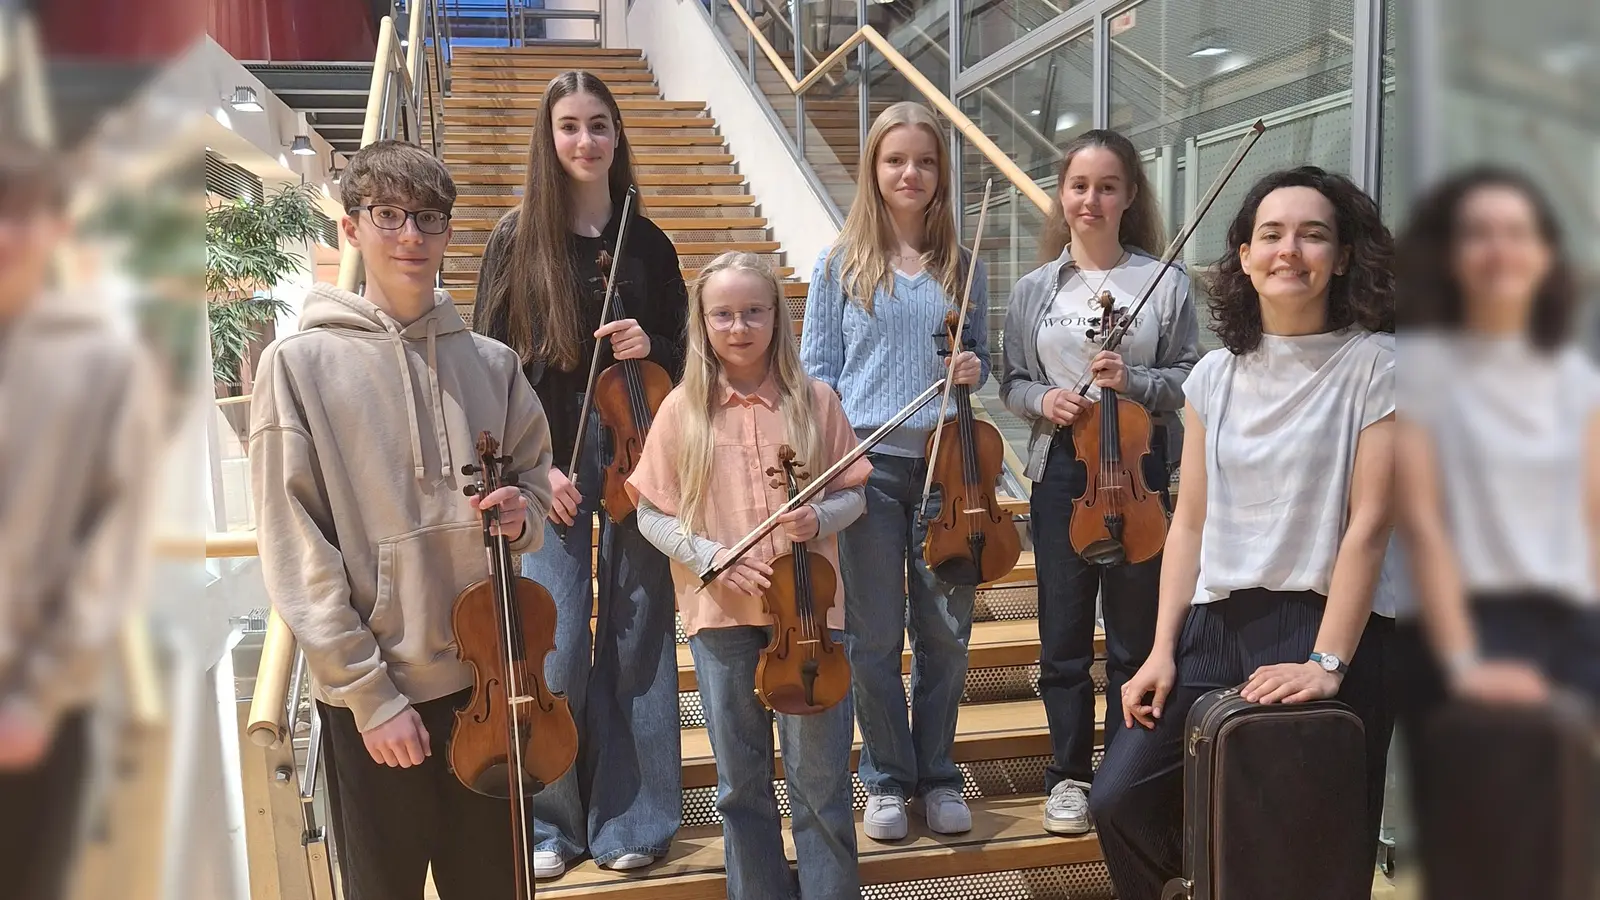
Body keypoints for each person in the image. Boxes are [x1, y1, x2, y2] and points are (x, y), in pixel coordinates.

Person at [251, 139, 554, 900]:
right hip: (376, 699)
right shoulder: (298, 367)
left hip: (491, 685)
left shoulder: (491, 363)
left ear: (450, 231)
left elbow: (539, 489)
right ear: (352, 228)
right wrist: (370, 696)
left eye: (429, 219)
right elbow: (296, 546)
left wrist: (524, 515)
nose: (411, 236)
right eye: (389, 216)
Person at [1087, 166, 1397, 900]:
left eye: (1314, 234)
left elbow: (1371, 524)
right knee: (1120, 800)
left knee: (1309, 851)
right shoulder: (1214, 377)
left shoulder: (1378, 365)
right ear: (1246, 257)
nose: (1291, 250)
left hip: (1332, 628)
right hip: (1214, 625)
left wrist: (1326, 662)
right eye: (1272, 234)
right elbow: (1188, 519)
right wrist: (1162, 648)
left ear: (1343, 256)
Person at [472, 70, 686, 878]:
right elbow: (487, 366)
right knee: (552, 644)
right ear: (549, 137)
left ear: (617, 136)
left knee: (638, 638)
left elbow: (685, 360)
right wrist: (531, 471)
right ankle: (553, 819)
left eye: (600, 124)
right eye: (569, 126)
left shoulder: (649, 243)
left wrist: (653, 349)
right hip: (547, 466)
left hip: (636, 453)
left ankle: (635, 816)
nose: (586, 140)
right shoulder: (513, 239)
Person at [628, 252, 869, 899]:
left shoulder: (814, 400)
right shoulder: (683, 410)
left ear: (777, 318)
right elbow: (652, 515)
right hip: (723, 619)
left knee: (819, 781)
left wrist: (818, 517)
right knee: (741, 784)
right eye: (723, 314)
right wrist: (712, 557)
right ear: (703, 323)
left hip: (812, 621)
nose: (739, 327)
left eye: (753, 311)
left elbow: (855, 495)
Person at [998, 128, 1199, 835]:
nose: (1092, 199)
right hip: (1062, 474)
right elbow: (1012, 380)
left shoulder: (1164, 282)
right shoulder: (1034, 289)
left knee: (1134, 639)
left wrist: (1135, 379)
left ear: (1129, 196)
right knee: (1061, 635)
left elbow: (1191, 378)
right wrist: (1042, 401)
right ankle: (1068, 777)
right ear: (1063, 195)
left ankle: (1124, 772)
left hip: (1140, 472)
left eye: (1107, 186)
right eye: (1079, 186)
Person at [799, 100, 989, 842]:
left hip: (949, 474)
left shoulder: (960, 265)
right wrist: (832, 469)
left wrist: (972, 369)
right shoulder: (840, 263)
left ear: (941, 176)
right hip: (868, 473)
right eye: (895, 160)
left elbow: (980, 364)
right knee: (874, 638)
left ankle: (937, 773)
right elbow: (818, 379)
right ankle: (885, 776)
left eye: (925, 161)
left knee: (946, 633)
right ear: (873, 170)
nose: (911, 173)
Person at [0, 139, 161, 900]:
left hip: (30, 706)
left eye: (23, 214)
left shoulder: (101, 361)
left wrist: (40, 693)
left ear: (57, 227)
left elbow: (115, 545)